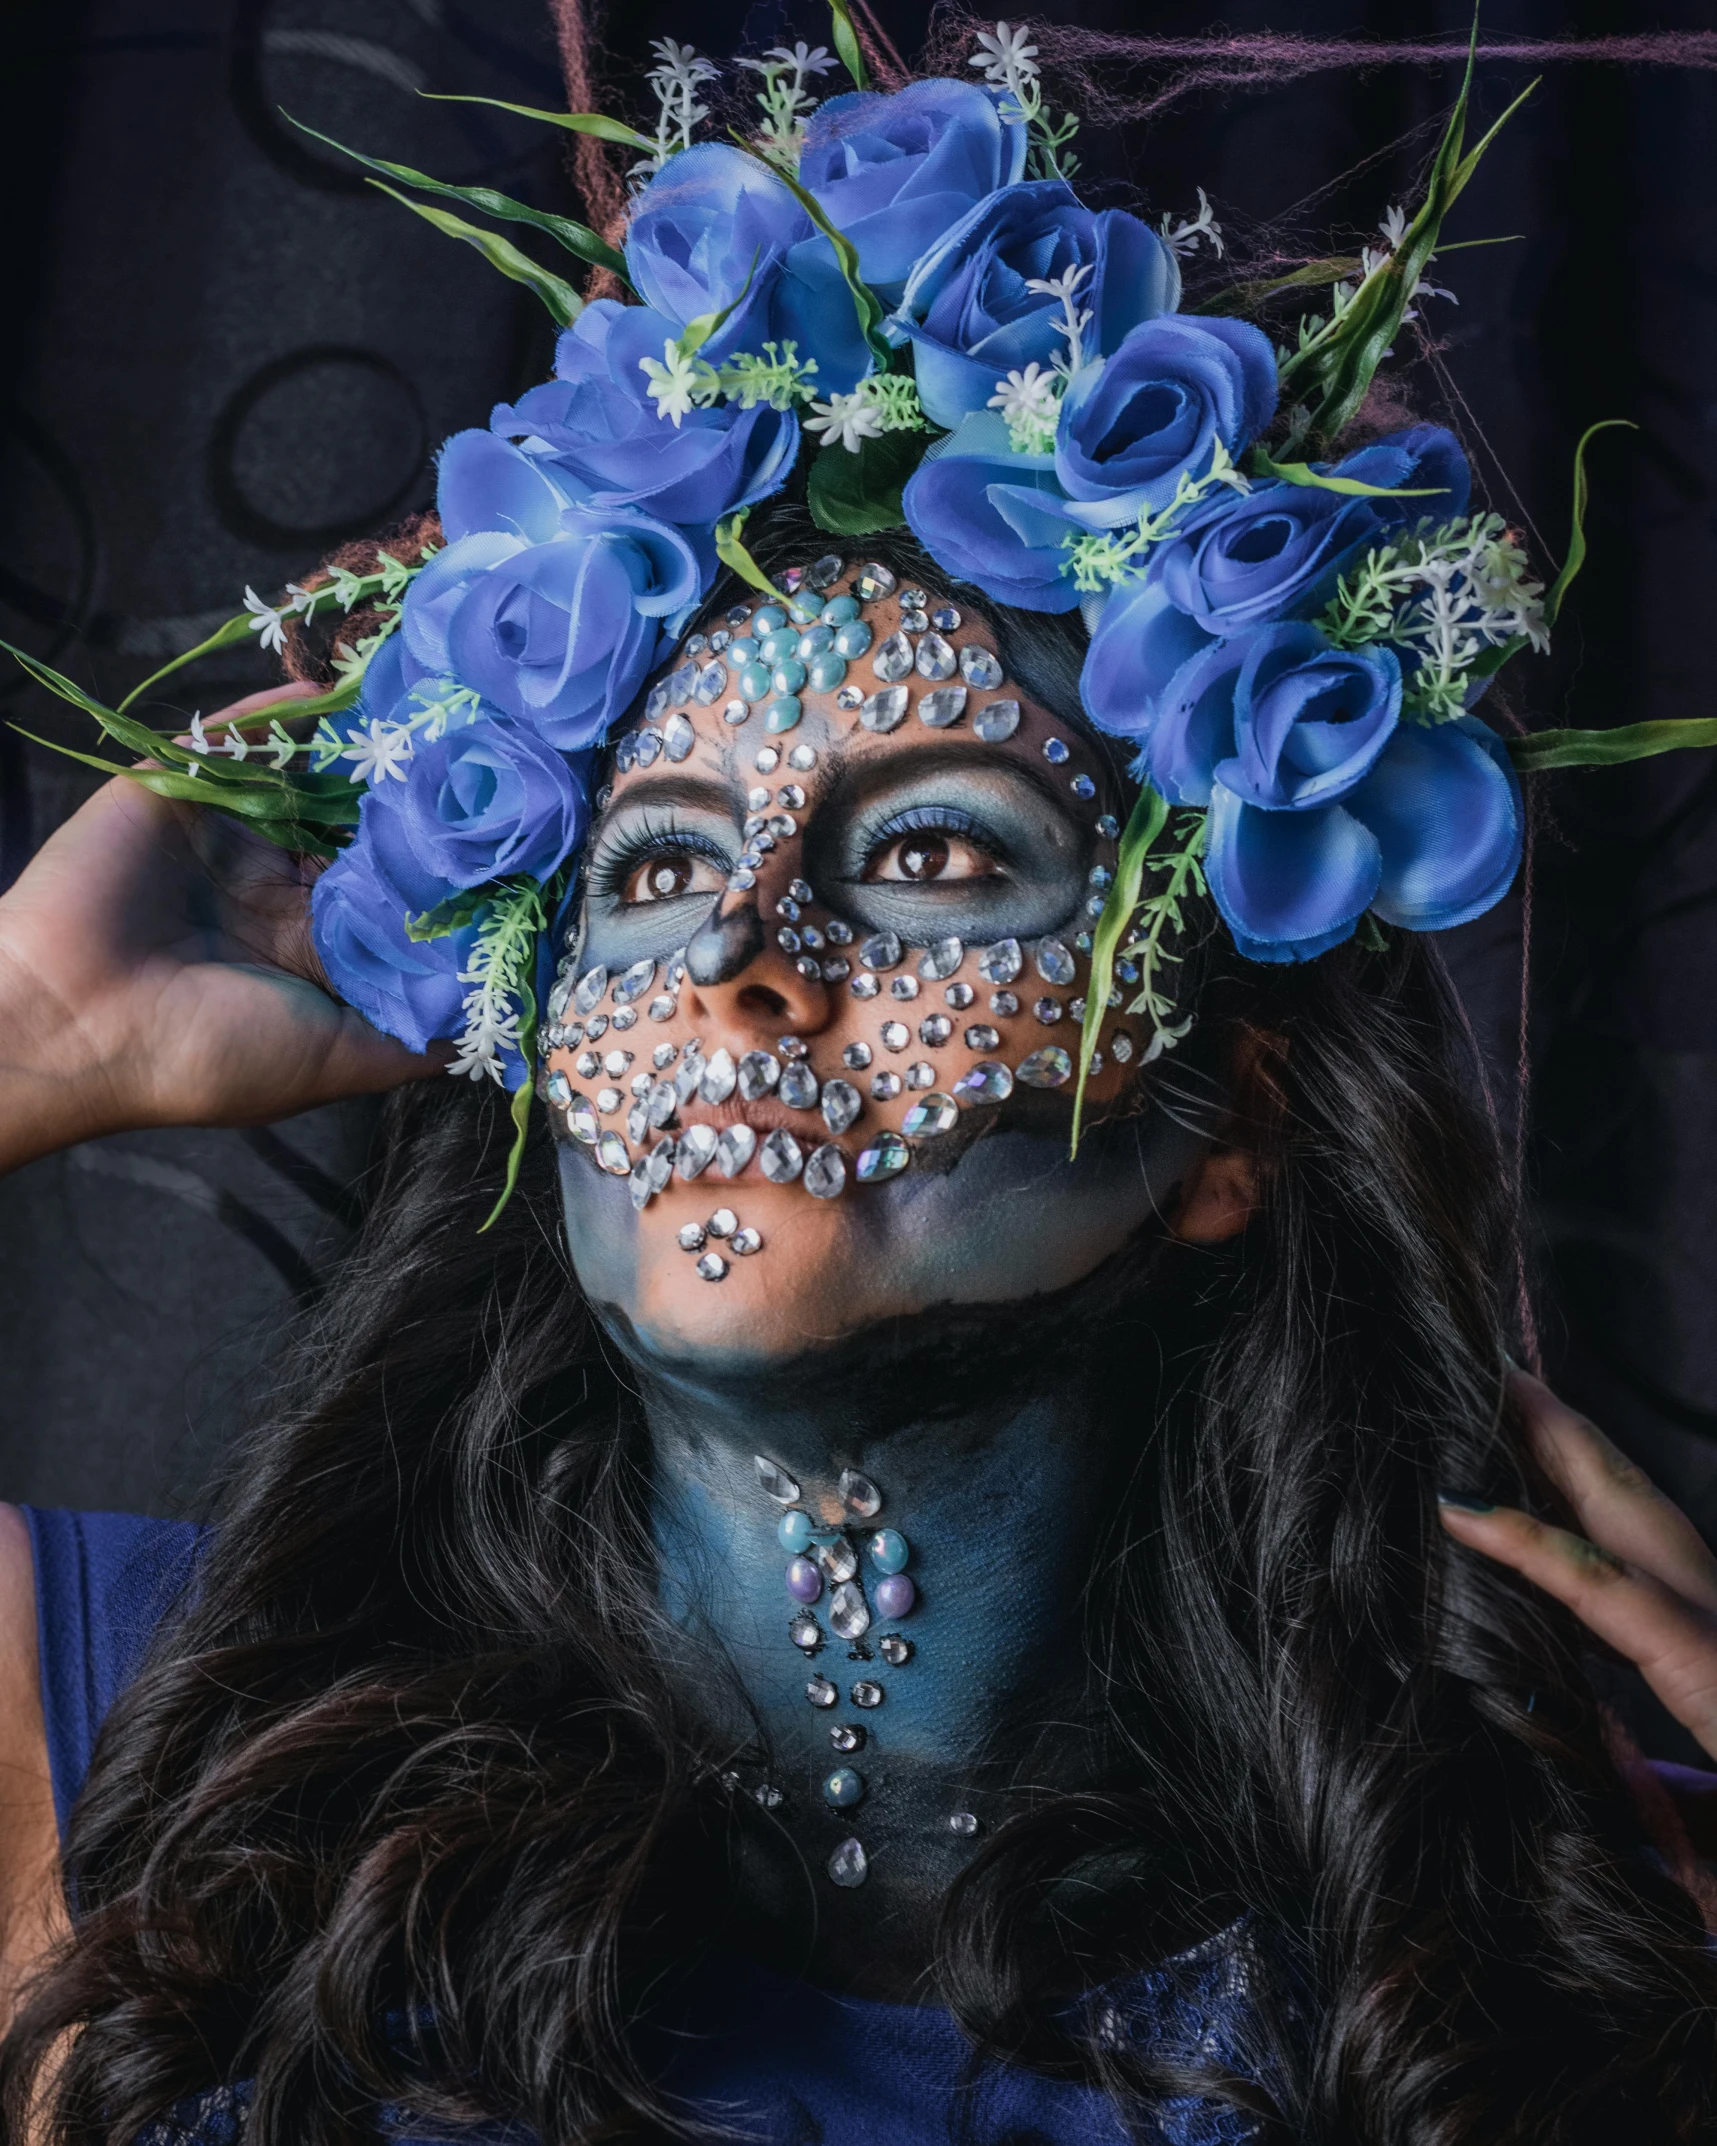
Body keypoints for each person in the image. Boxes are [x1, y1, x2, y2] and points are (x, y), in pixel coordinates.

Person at [2, 23, 1717, 2145]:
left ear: (1232, 1126)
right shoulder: (135, 1745)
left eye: (929, 852)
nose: (740, 964)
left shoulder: (1544, 1937)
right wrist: (32, 1028)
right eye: (650, 870)